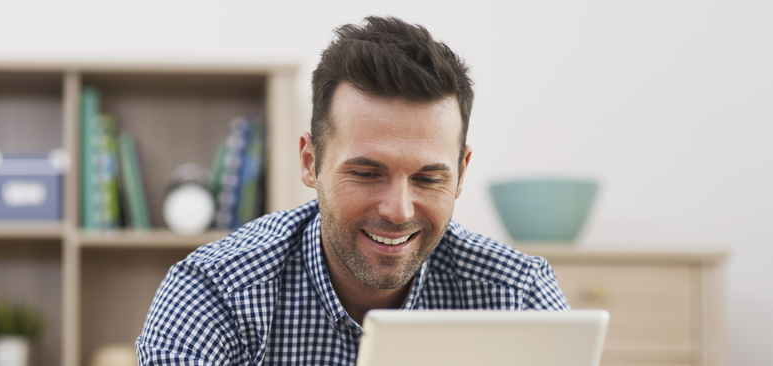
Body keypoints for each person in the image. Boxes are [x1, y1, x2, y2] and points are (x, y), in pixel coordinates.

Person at [136, 16, 570, 365]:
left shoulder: (518, 297)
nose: (399, 211)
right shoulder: (215, 293)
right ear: (310, 162)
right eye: (366, 173)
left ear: (460, 172)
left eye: (428, 178)